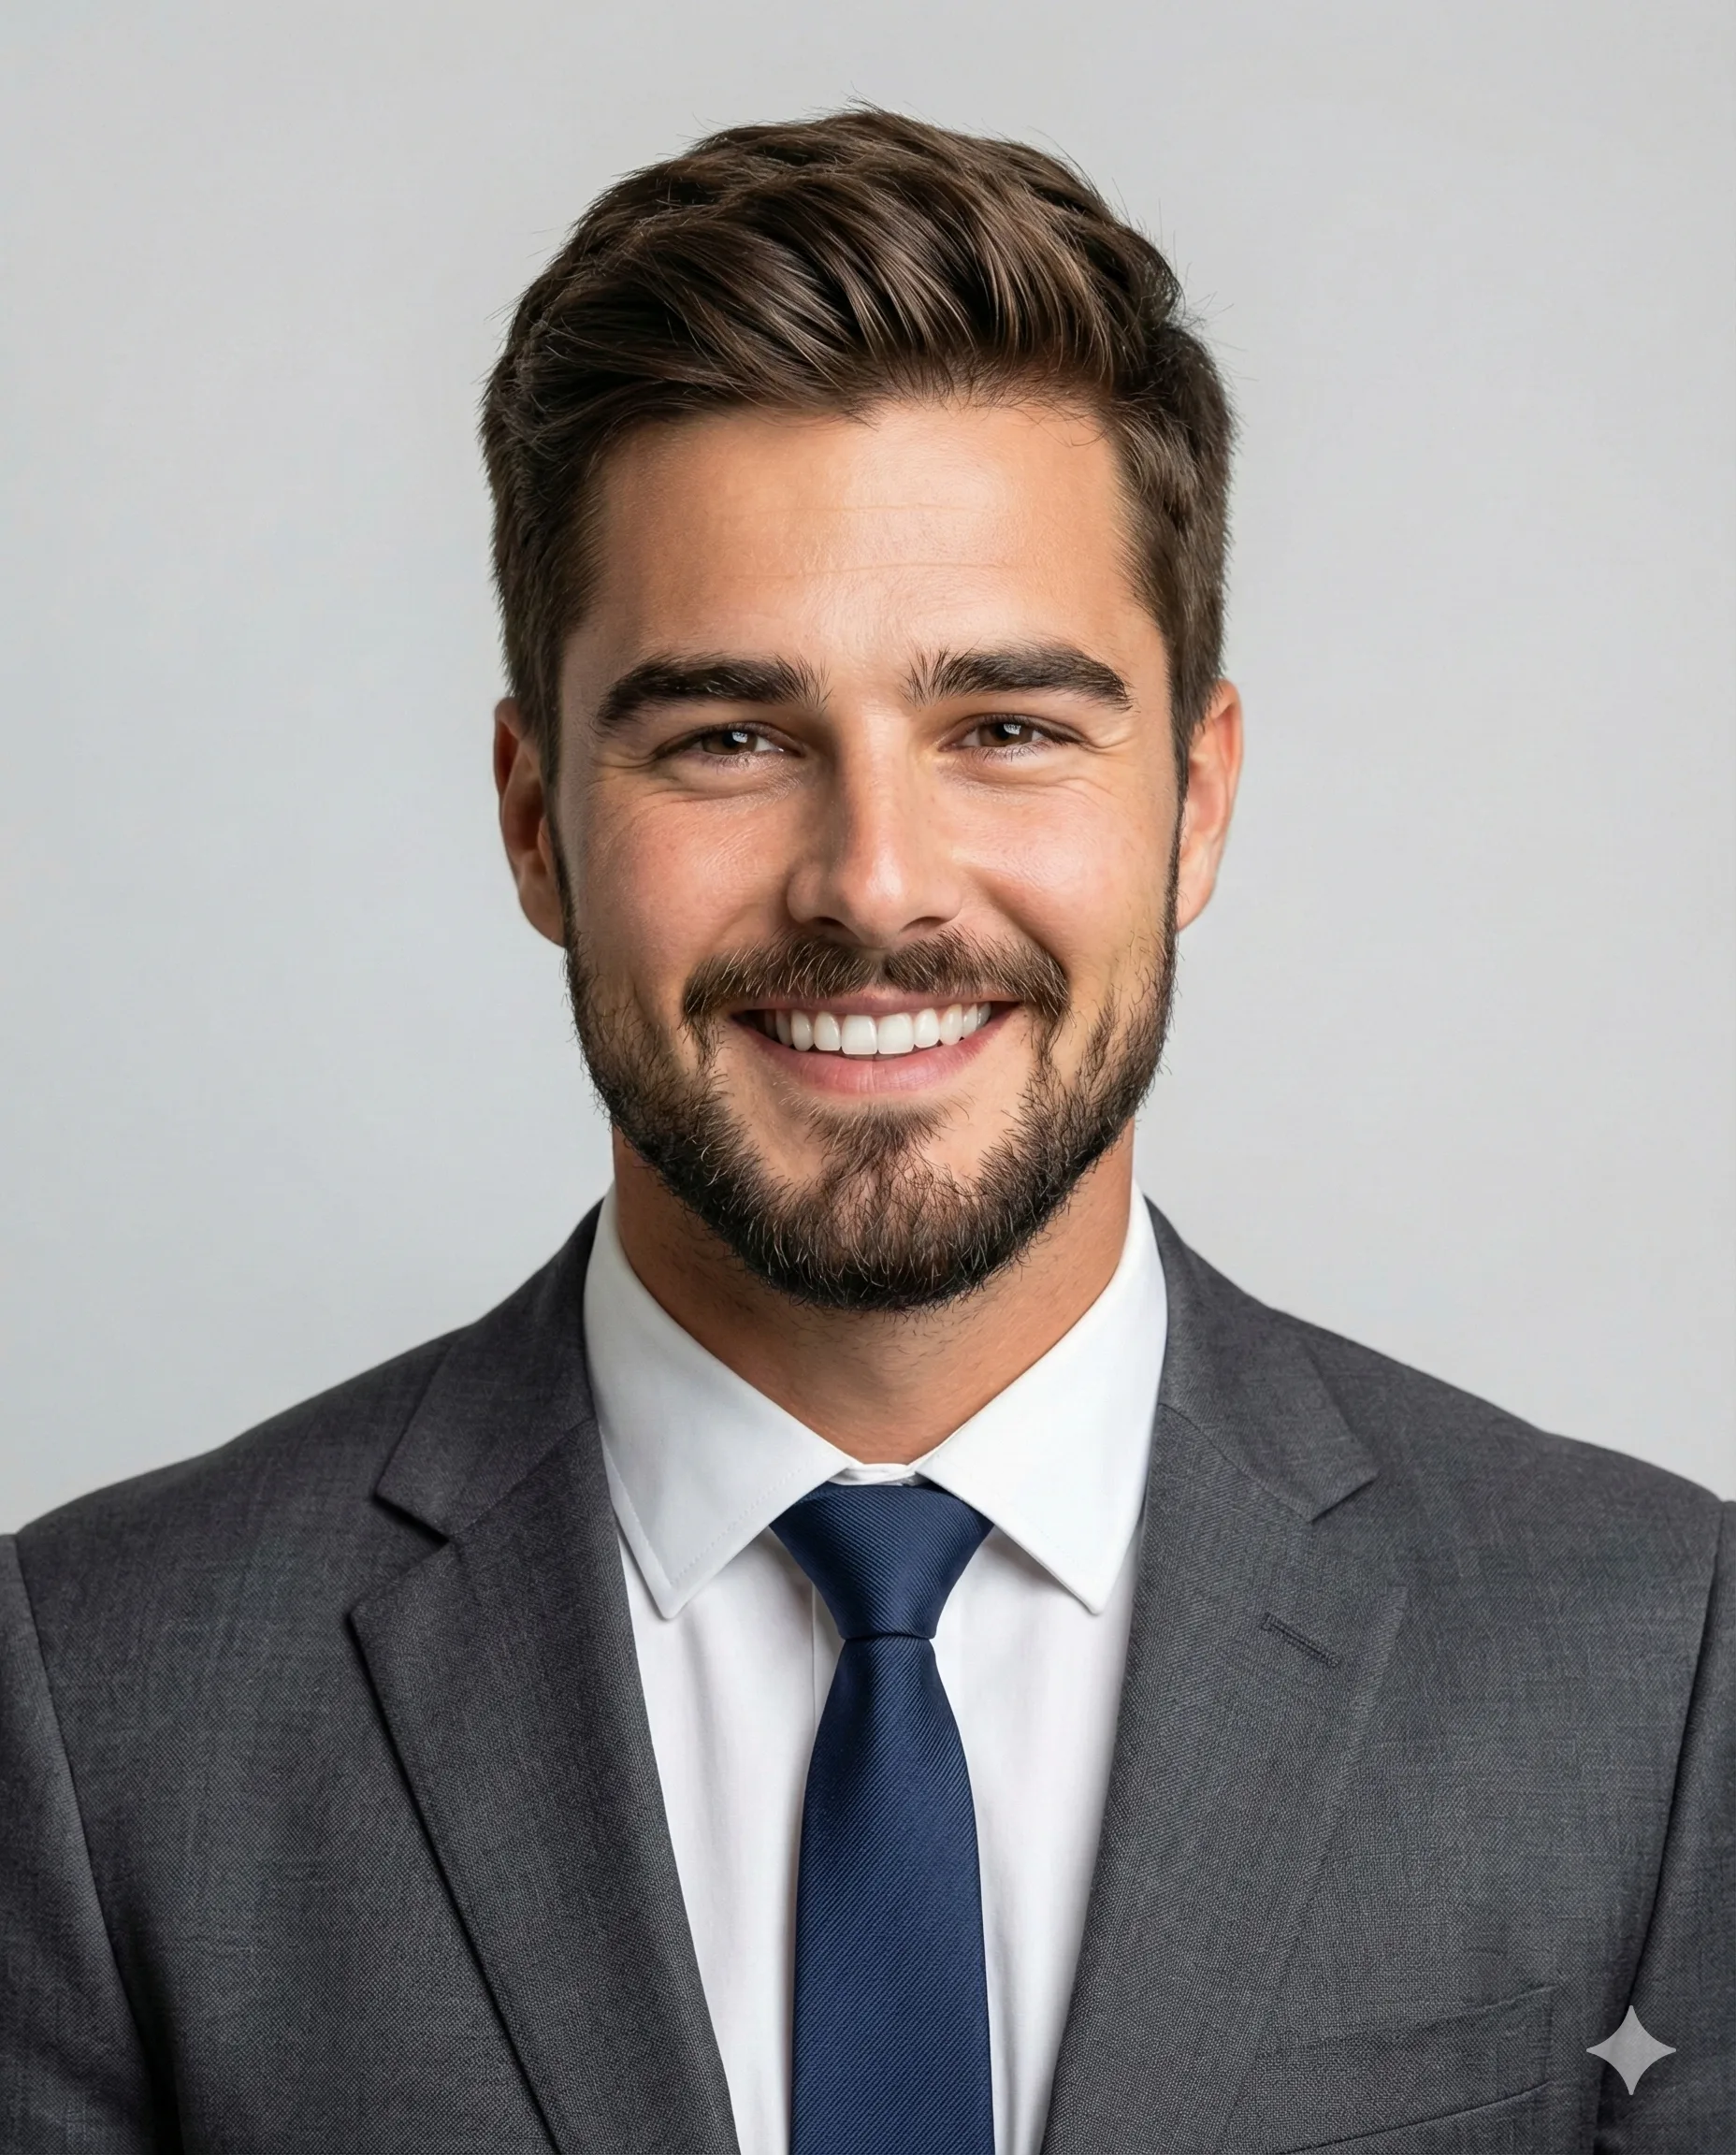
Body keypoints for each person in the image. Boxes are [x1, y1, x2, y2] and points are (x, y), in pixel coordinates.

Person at [2, 108, 1729, 2155]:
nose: (876, 882)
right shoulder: (91, 1708)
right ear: (537, 817)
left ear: (1191, 801)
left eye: (1005, 726)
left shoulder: (1655, 1666)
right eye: (729, 736)